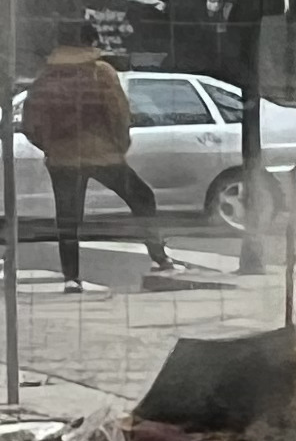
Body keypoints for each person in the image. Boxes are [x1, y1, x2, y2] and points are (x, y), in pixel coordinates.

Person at [22, 20, 186, 290]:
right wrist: (119, 147)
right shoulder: (101, 72)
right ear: (91, 41)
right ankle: (159, 257)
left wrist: (50, 146)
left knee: (68, 217)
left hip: (62, 158)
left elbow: (30, 122)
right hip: (101, 154)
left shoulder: (45, 77)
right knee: (142, 197)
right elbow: (118, 114)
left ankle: (71, 278)